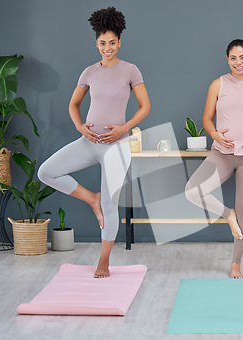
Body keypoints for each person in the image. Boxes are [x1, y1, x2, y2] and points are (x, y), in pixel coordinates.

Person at [38, 7, 150, 278]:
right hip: (89, 142)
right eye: (102, 43)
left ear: (119, 42)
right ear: (96, 43)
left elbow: (145, 107)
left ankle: (103, 262)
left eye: (112, 43)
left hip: (117, 146)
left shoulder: (130, 70)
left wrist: (122, 128)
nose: (107, 48)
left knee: (111, 205)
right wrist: (80, 128)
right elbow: (73, 104)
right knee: (46, 172)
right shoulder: (88, 72)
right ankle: (91, 198)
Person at [185, 39, 243, 279]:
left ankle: (236, 263)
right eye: (233, 58)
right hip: (222, 153)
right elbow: (207, 119)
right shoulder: (218, 85)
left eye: (242, 57)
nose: (238, 62)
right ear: (227, 59)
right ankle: (228, 214)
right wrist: (215, 134)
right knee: (192, 191)